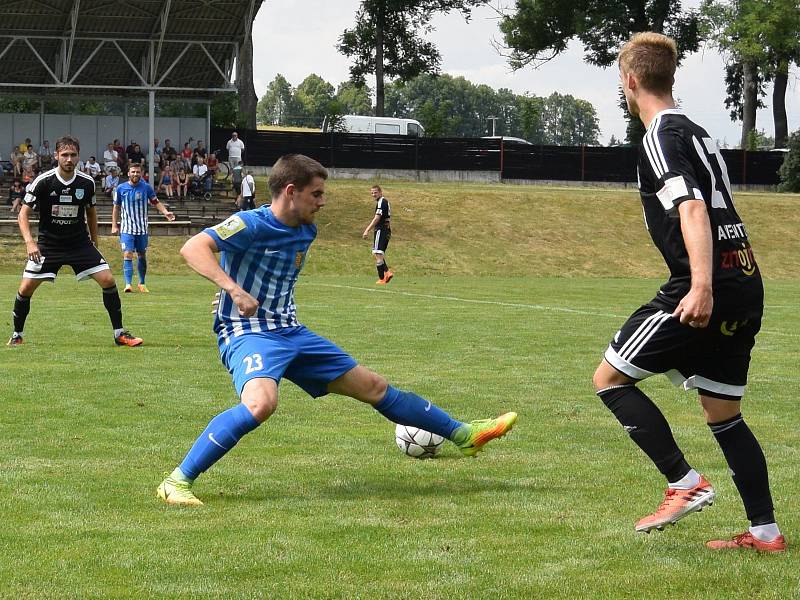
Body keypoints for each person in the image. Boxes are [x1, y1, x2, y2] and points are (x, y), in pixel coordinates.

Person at [156, 154, 518, 506]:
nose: (323, 202)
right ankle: (177, 481)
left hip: (291, 331)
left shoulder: (306, 230)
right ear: (291, 191)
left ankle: (465, 435)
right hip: (248, 333)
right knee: (261, 404)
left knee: (374, 387)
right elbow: (193, 247)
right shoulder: (249, 223)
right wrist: (232, 289)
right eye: (317, 194)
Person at [591, 32, 786, 552]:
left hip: (707, 284)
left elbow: (693, 208)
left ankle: (684, 483)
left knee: (610, 379)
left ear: (630, 82)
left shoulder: (657, 136)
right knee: (722, 411)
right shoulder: (699, 132)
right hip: (745, 278)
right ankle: (766, 533)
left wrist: (699, 285)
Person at [6, 135, 143, 348]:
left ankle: (119, 334)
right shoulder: (43, 181)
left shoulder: (86, 183)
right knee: (25, 289)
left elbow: (91, 213)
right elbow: (23, 214)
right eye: (65, 155)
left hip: (79, 244)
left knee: (108, 280)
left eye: (73, 155)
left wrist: (95, 241)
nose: (69, 159)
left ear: (78, 156)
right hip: (48, 245)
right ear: (56, 156)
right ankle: (17, 334)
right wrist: (30, 243)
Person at [111, 163, 175, 293]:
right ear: (128, 173)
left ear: (141, 173)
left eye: (138, 172)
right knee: (128, 253)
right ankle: (128, 284)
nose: (135, 174)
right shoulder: (121, 188)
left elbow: (155, 202)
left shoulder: (146, 188)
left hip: (142, 228)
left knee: (141, 254)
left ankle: (142, 283)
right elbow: (116, 208)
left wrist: (165, 212)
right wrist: (114, 225)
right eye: (133, 172)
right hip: (127, 228)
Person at [361, 185, 393, 285]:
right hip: (385, 229)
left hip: (381, 229)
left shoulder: (382, 202)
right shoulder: (384, 201)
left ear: (380, 192)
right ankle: (387, 272)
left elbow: (377, 218)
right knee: (377, 253)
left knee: (378, 253)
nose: (373, 194)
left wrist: (367, 230)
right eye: (372, 193)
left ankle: (382, 278)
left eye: (375, 192)